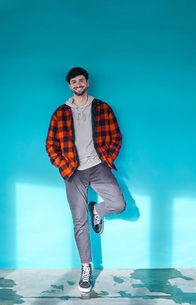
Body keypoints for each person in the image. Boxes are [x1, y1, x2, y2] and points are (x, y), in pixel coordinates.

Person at [45, 67, 126, 293]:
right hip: (73, 172)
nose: (78, 84)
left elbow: (116, 136)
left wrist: (107, 158)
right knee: (79, 221)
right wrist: (64, 166)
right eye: (74, 82)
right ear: (70, 86)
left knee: (119, 204)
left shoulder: (102, 108)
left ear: (87, 83)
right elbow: (50, 145)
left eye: (81, 80)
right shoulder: (60, 112)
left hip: (98, 166)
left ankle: (97, 210)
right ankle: (86, 268)